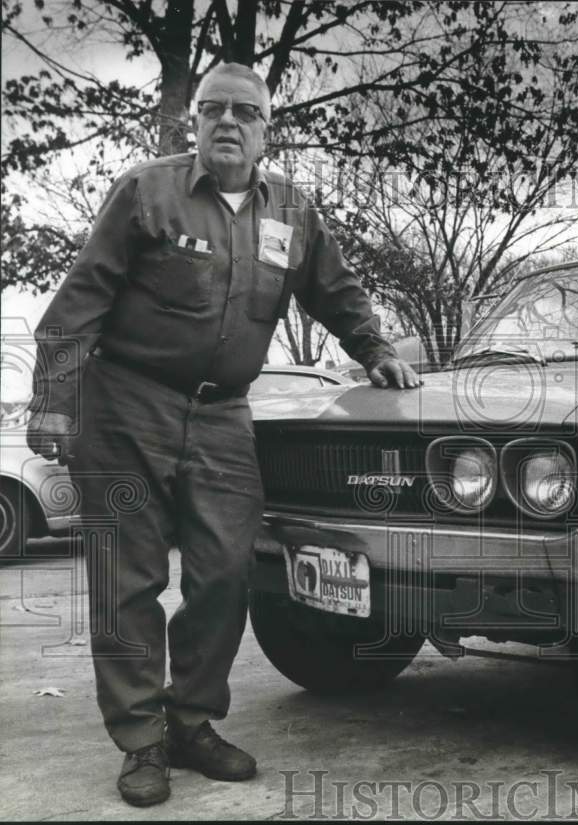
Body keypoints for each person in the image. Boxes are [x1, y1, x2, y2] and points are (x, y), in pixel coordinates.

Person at [25, 62, 419, 807]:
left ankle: (192, 719)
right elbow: (81, 297)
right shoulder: (148, 191)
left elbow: (335, 291)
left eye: (246, 112)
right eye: (215, 110)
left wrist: (375, 349)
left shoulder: (293, 214)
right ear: (193, 123)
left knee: (226, 571)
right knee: (128, 580)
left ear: (268, 131)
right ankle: (142, 741)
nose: (229, 123)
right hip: (124, 407)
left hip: (222, 415)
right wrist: (53, 401)